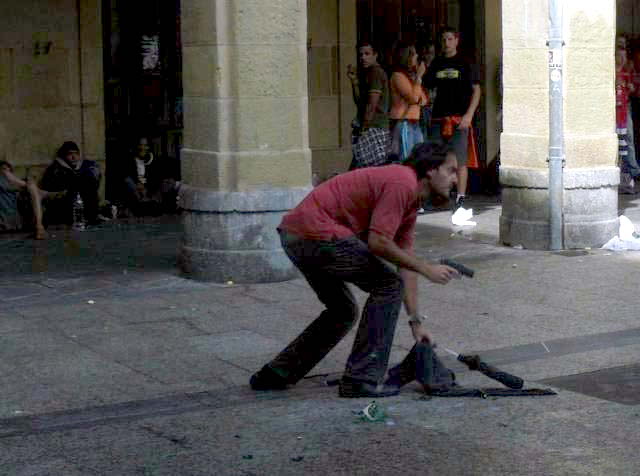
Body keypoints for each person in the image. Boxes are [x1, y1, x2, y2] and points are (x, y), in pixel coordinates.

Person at [250, 143, 460, 398]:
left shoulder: (410, 199)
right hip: (317, 233)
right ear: (430, 169)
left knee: (343, 311)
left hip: (296, 234)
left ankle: (276, 373)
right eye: (451, 171)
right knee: (388, 285)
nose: (455, 179)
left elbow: (405, 261)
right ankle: (361, 378)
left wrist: (416, 324)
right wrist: (428, 269)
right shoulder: (402, 182)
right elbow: (379, 242)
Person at [424, 27, 481, 210]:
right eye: (443, 40)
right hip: (439, 118)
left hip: (459, 119)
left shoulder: (465, 63)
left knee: (460, 159)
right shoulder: (437, 63)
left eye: (450, 39)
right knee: (433, 158)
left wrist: (469, 115)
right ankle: (435, 195)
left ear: (456, 41)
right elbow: (427, 85)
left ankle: (461, 197)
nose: (446, 43)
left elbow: (477, 90)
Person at [347, 41, 391, 169]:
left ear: (375, 55)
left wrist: (363, 129)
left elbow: (371, 105)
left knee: (367, 168)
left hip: (374, 127)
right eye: (361, 54)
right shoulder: (369, 73)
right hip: (371, 126)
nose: (363, 58)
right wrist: (354, 82)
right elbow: (360, 102)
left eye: (367, 54)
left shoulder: (376, 73)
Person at [40, 141, 103, 225]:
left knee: (88, 182)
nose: (74, 157)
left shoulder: (85, 165)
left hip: (82, 203)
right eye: (70, 154)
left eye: (76, 154)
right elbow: (52, 189)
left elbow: (95, 179)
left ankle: (91, 217)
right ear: (64, 155)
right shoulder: (55, 169)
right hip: (63, 205)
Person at [120, 137, 179, 216]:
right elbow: (127, 177)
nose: (143, 148)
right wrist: (137, 185)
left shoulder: (155, 160)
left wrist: (149, 190)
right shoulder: (130, 160)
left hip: (150, 192)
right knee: (128, 182)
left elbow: (158, 178)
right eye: (140, 145)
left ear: (149, 147)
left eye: (145, 145)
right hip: (136, 192)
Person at [388, 42, 427, 163]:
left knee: (419, 159)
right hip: (403, 122)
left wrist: (417, 80)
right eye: (414, 54)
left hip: (415, 122)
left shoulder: (412, 78)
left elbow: (423, 100)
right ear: (407, 57)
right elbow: (413, 99)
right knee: (406, 159)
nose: (417, 57)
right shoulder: (398, 76)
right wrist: (419, 78)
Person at [0, 161, 50, 239]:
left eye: (8, 170)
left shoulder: (13, 187)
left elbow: (32, 189)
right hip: (8, 221)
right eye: (4, 169)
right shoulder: (4, 179)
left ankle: (39, 226)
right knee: (32, 187)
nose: (6, 171)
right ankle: (39, 226)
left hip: (18, 219)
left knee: (32, 188)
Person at [616, 46, 640, 193]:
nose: (622, 59)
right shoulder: (612, 72)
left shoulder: (627, 71)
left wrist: (630, 86)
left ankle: (633, 172)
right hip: (616, 111)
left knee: (628, 140)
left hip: (625, 109)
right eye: (620, 56)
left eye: (624, 56)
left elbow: (633, 88)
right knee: (620, 142)